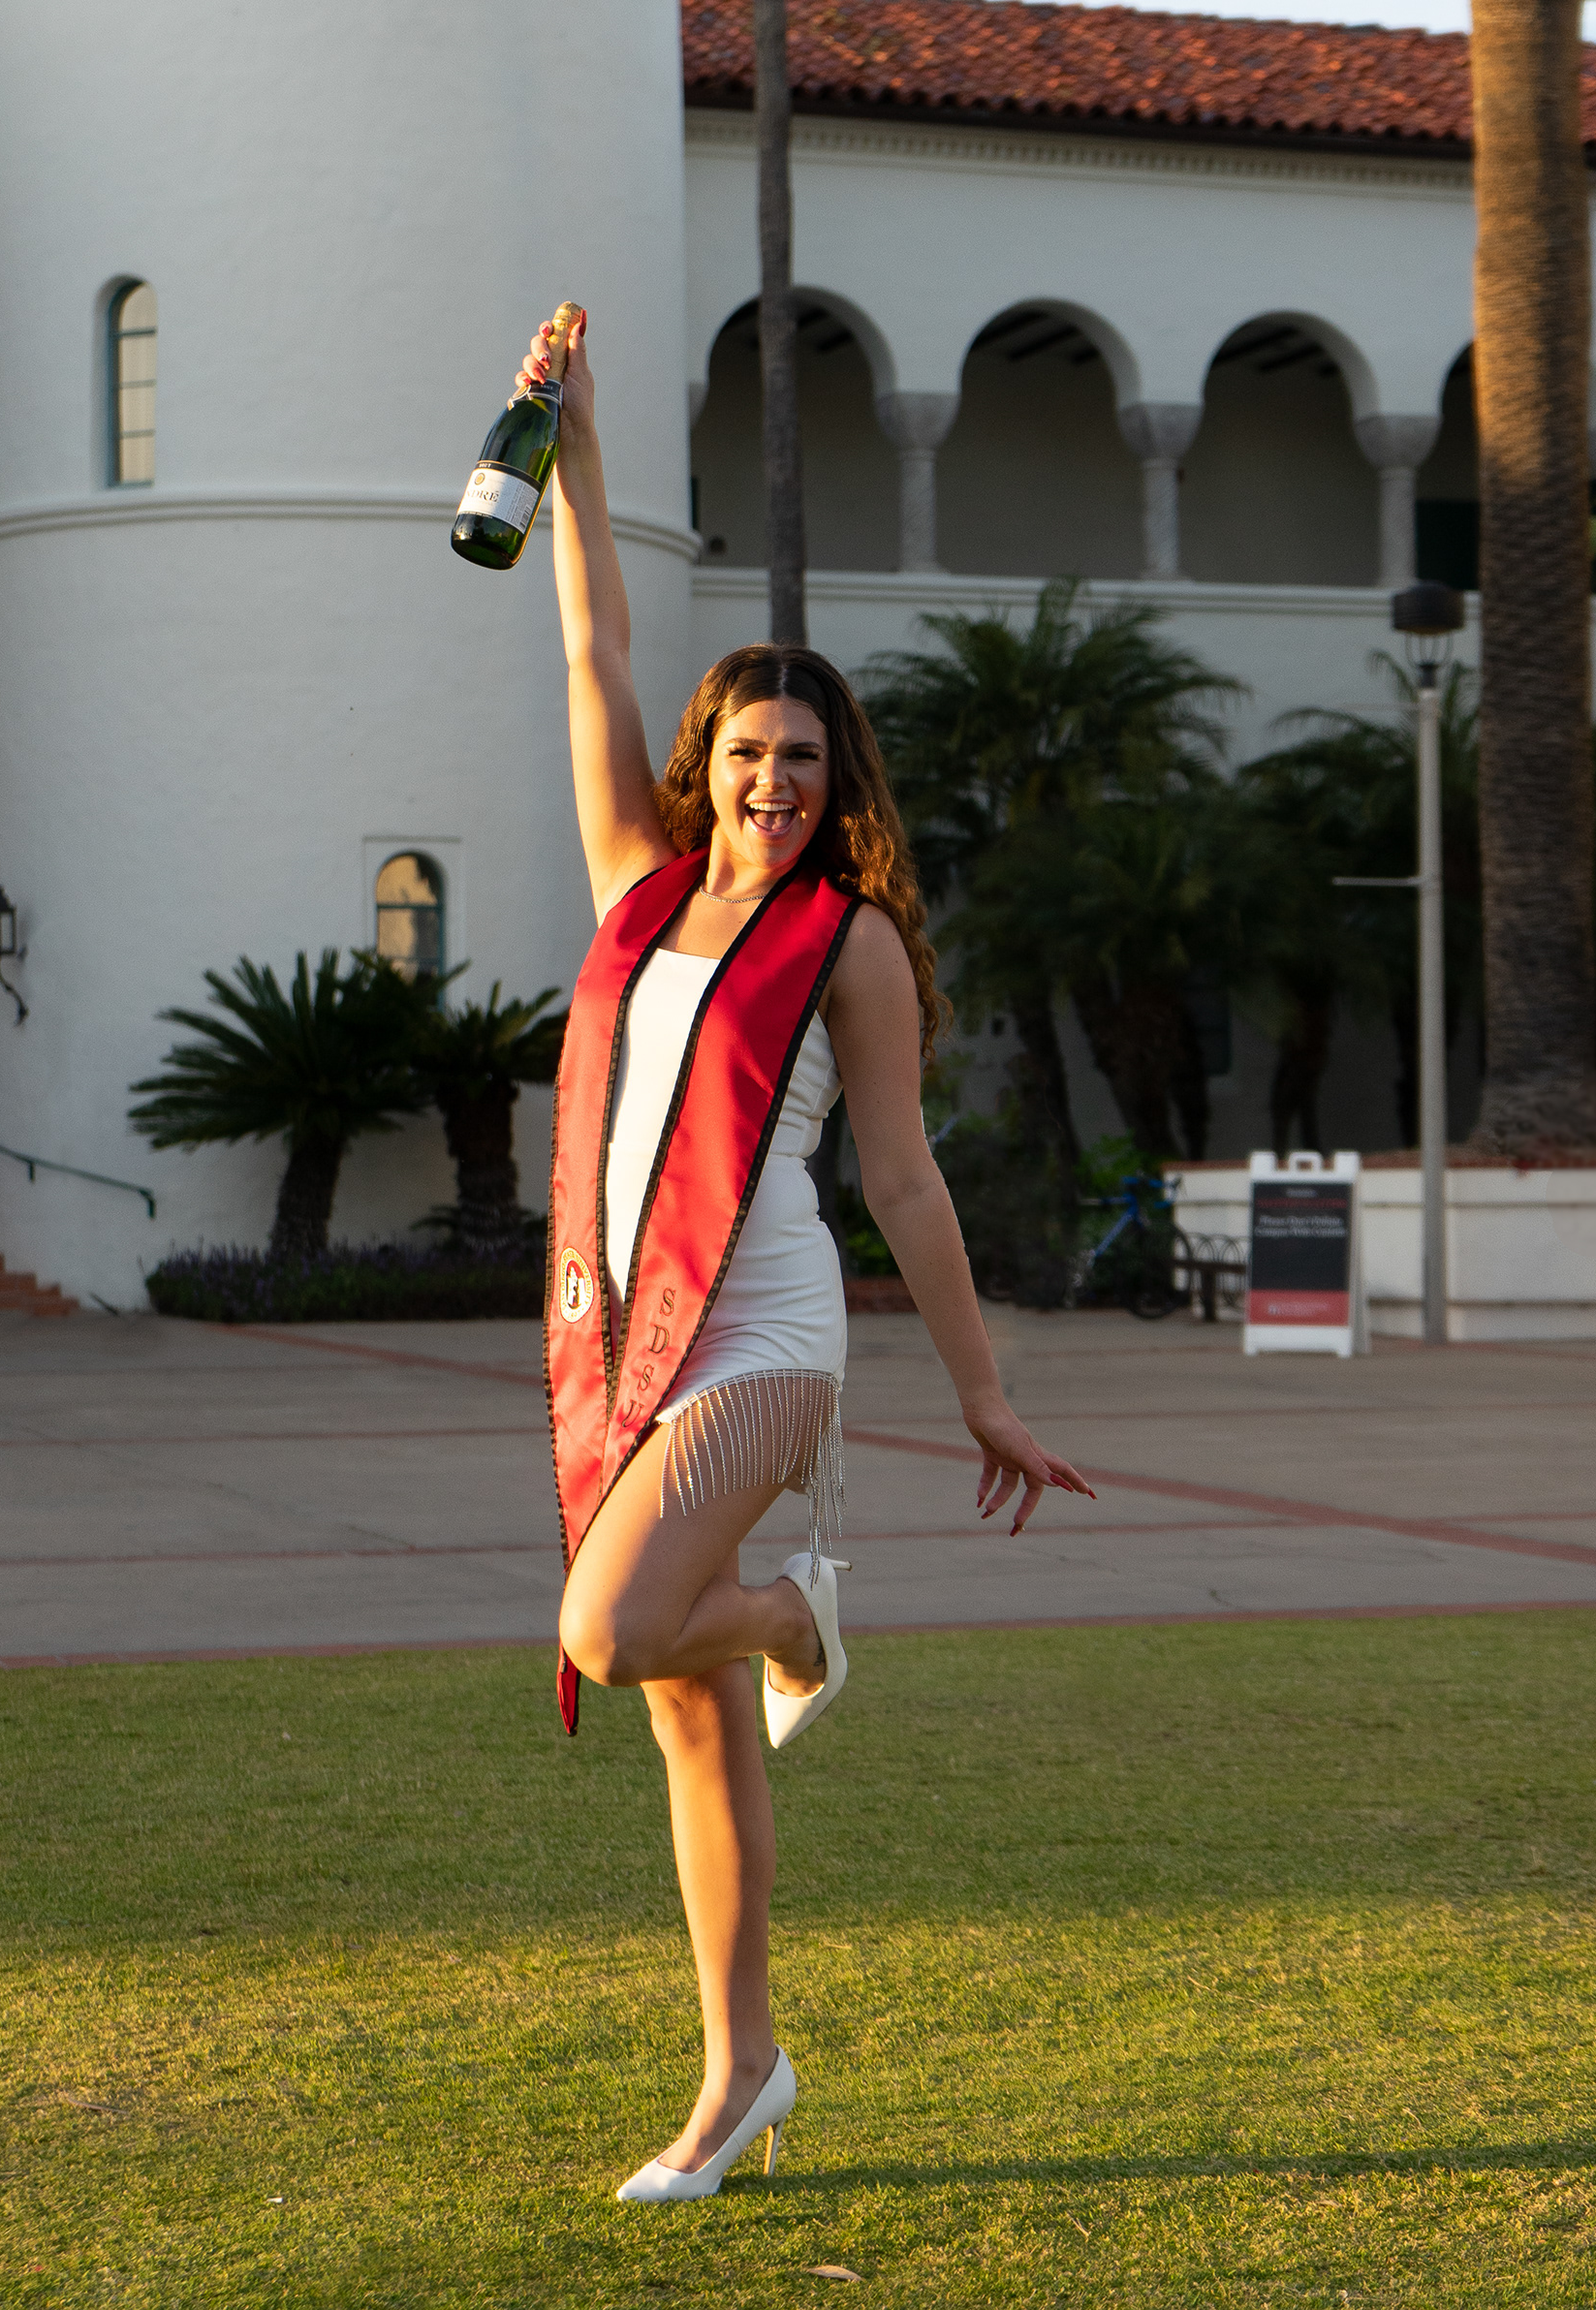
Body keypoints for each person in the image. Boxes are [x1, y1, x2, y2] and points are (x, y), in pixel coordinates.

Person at [532, 308, 1095, 2205]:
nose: (776, 778)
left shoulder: (847, 942)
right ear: (707, 763)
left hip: (766, 1330)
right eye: (751, 751)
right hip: (625, 1339)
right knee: (689, 1731)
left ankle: (794, 1616)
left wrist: (984, 1394)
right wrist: (576, 446)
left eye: (806, 756)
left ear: (837, 776)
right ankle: (741, 2074)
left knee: (618, 1631)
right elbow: (594, 641)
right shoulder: (636, 887)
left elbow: (906, 1182)